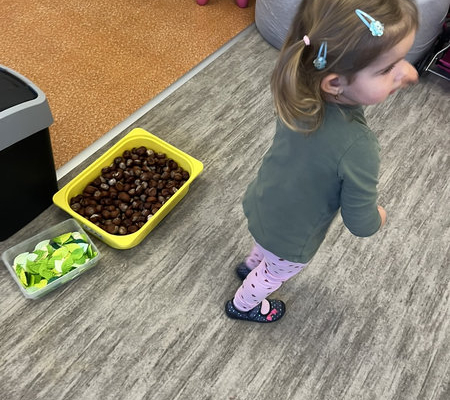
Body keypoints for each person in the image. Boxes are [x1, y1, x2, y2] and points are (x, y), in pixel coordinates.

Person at [225, 0, 420, 323]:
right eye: (388, 68)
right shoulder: (359, 147)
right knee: (274, 274)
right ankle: (243, 304)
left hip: (262, 201)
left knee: (265, 248)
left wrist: (392, 71)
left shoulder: (298, 93)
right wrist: (379, 217)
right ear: (335, 83)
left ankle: (251, 265)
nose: (405, 72)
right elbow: (360, 222)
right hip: (292, 235)